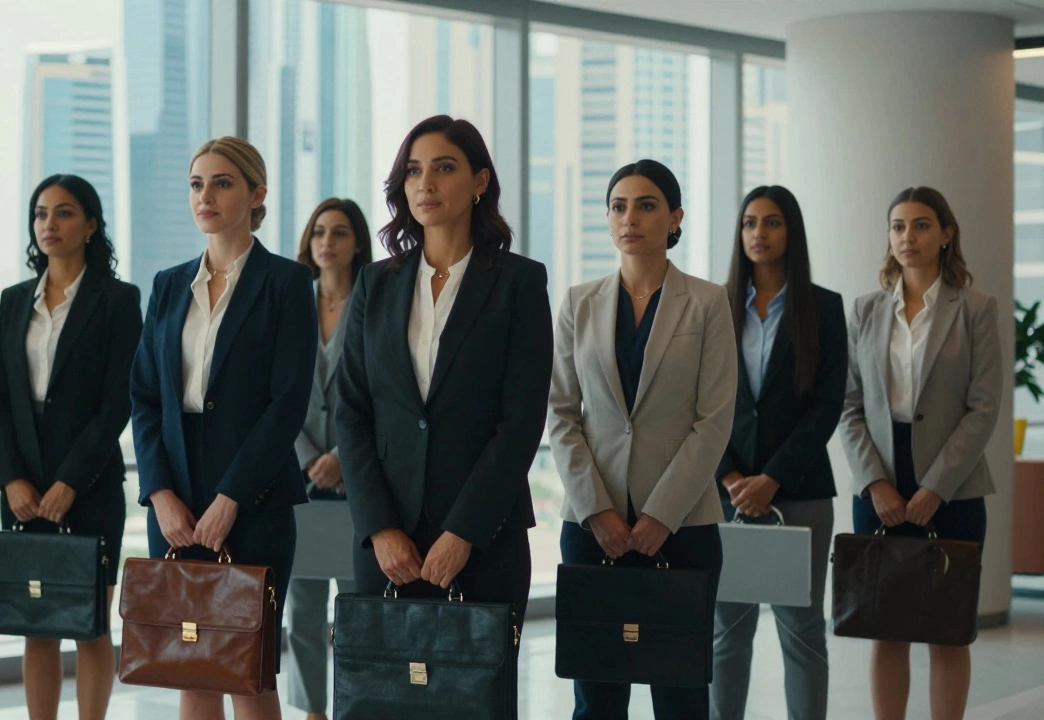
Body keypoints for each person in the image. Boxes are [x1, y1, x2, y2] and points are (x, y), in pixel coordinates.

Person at [335, 114, 553, 640]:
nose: (424, 184)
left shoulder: (519, 282)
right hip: (389, 548)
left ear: (480, 182)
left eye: (443, 168)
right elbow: (351, 410)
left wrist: (463, 533)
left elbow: (520, 423)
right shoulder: (375, 283)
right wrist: (380, 529)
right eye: (412, 171)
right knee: (383, 699)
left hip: (483, 540)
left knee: (474, 700)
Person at [129, 136, 317, 720]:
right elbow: (144, 397)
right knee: (192, 668)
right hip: (176, 501)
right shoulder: (167, 284)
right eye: (195, 184)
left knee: (246, 671)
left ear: (257, 193)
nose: (204, 195)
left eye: (222, 182)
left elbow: (287, 405)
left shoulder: (286, 283)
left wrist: (232, 497)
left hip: (254, 500)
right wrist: (160, 494)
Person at [548, 159, 736, 720]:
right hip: (591, 526)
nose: (631, 217)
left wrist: (661, 516)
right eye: (619, 205)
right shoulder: (579, 303)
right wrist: (596, 511)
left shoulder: (707, 302)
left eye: (647, 205)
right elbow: (560, 414)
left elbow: (714, 420)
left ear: (675, 217)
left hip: (682, 528)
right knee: (597, 697)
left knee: (680, 696)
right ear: (608, 220)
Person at [840, 186, 1001, 720]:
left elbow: (983, 408)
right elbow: (849, 406)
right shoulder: (865, 310)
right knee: (886, 626)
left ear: (946, 234)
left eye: (922, 225)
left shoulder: (975, 310)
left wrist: (937, 486)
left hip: (952, 484)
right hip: (880, 481)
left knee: (948, 630)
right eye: (898, 226)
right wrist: (873, 482)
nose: (908, 236)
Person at [0, 174, 141, 720]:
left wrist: (70, 481)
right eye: (41, 214)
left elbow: (117, 402)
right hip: (23, 486)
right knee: (38, 624)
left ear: (91, 225)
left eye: (65, 212)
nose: (49, 224)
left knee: (89, 622)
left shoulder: (119, 300)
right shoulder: (11, 301)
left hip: (90, 485)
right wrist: (12, 480)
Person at [710, 185, 848, 720]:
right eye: (748, 223)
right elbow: (703, 402)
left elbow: (827, 405)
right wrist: (729, 478)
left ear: (791, 231)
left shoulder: (824, 308)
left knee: (803, 631)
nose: (758, 234)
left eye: (771, 223)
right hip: (724, 495)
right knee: (727, 632)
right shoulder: (713, 305)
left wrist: (772, 479)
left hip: (802, 492)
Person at [286, 197, 372, 720]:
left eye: (339, 232)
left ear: (356, 242)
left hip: (357, 480)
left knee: (358, 610)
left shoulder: (375, 300)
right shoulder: (292, 303)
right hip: (298, 483)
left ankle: (358, 706)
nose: (327, 241)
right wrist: (307, 457)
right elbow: (277, 390)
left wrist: (342, 456)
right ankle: (312, 712)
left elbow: (383, 391)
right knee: (303, 613)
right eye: (319, 231)